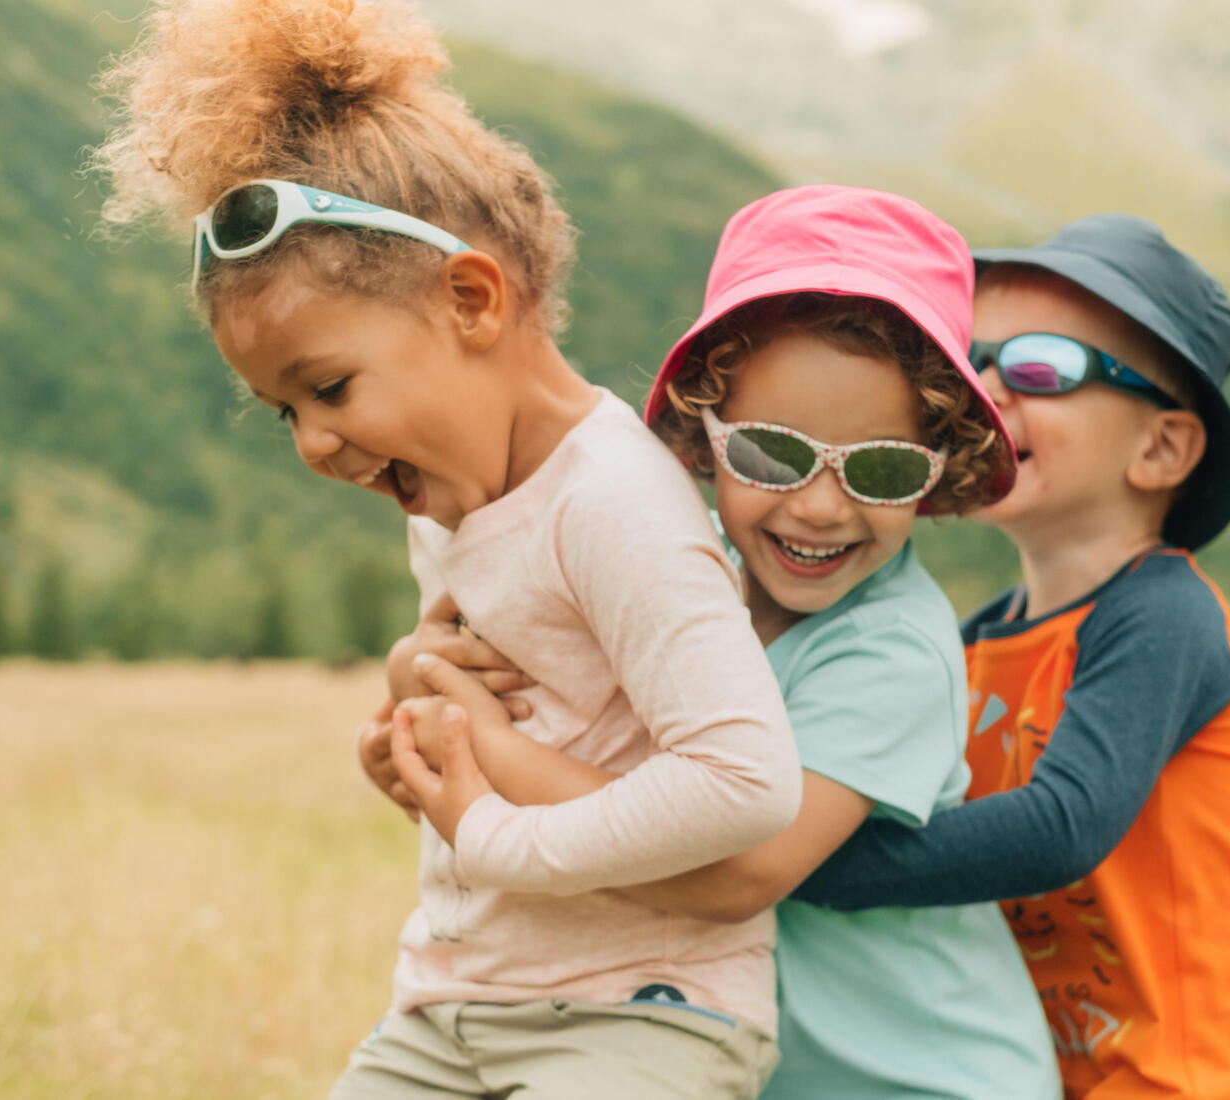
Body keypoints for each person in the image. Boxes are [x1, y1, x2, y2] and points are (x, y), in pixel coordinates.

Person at [91, 2, 802, 1097]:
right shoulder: (446, 500)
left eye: (328, 388)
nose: (315, 442)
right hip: (451, 1003)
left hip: (640, 1010)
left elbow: (743, 781)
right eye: (284, 412)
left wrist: (493, 833)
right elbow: (521, 702)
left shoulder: (615, 500)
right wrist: (411, 733)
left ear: (472, 299)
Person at [379, 185, 1061, 1098]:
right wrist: (420, 688)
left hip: (918, 1082)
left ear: (939, 469)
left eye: (884, 467)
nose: (820, 506)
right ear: (704, 435)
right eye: (771, 455)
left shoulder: (893, 654)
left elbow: (734, 873)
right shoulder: (670, 568)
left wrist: (479, 754)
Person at [789, 214, 1230, 1098]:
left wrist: (795, 863)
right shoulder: (971, 642)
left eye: (1040, 368)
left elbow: (1061, 824)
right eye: (976, 361)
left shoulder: (1162, 615)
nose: (988, 390)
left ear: (1162, 448)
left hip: (1198, 1082)